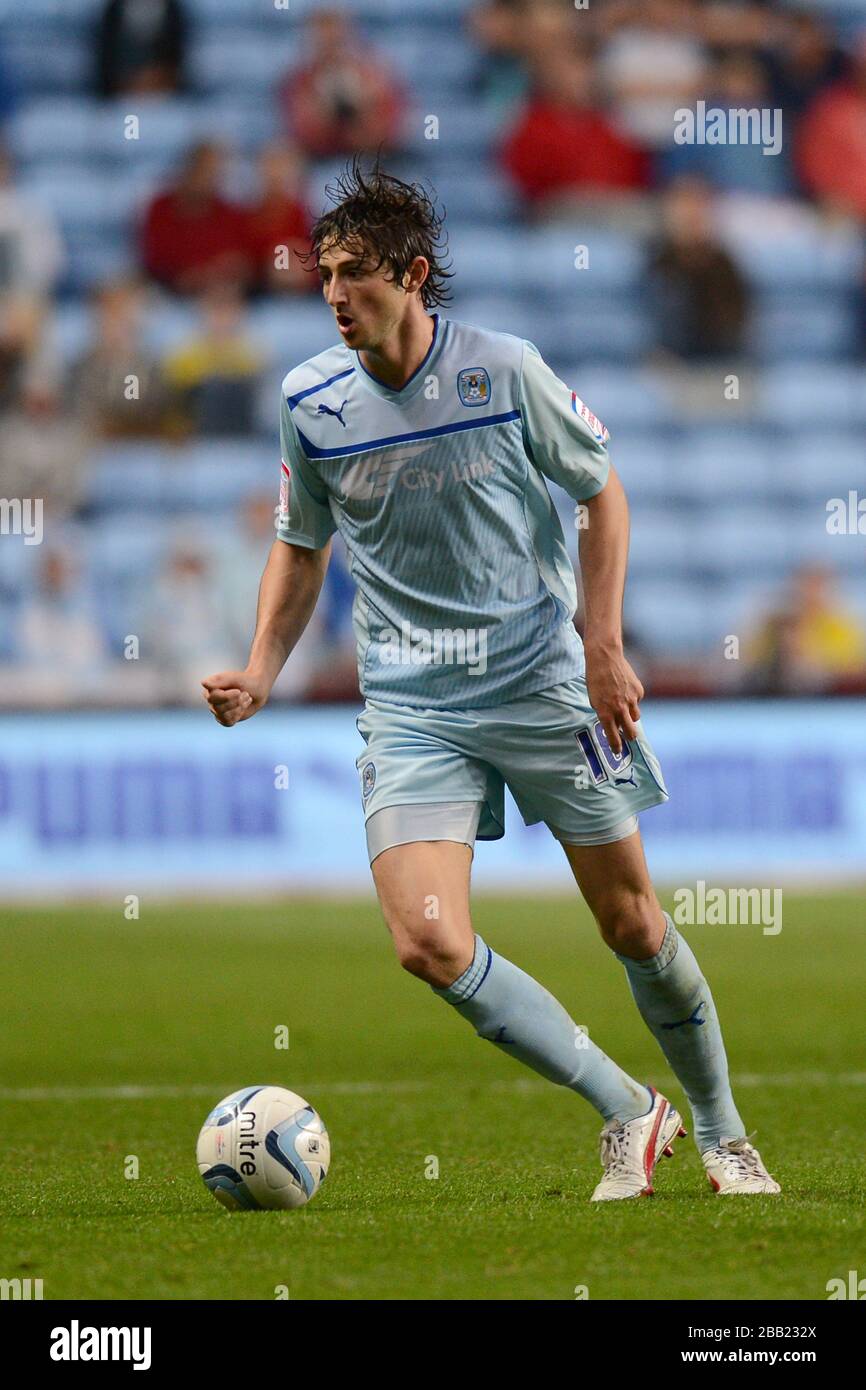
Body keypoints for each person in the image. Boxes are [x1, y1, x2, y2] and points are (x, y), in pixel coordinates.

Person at [202, 160, 779, 1202]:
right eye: (324, 275)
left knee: (632, 924)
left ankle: (723, 1133)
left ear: (414, 275)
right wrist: (258, 670)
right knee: (426, 941)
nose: (335, 295)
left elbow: (603, 497)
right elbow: (298, 546)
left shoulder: (503, 370)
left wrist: (602, 646)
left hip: (544, 684)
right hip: (413, 708)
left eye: (358, 275)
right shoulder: (310, 403)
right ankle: (624, 1107)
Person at [140, 142, 250, 296]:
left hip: (218, 293)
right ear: (188, 170)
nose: (208, 180)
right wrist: (187, 275)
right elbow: (154, 258)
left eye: (215, 174)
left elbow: (239, 261)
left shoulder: (230, 213)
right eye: (203, 171)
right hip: (166, 290)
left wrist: (219, 272)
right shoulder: (161, 208)